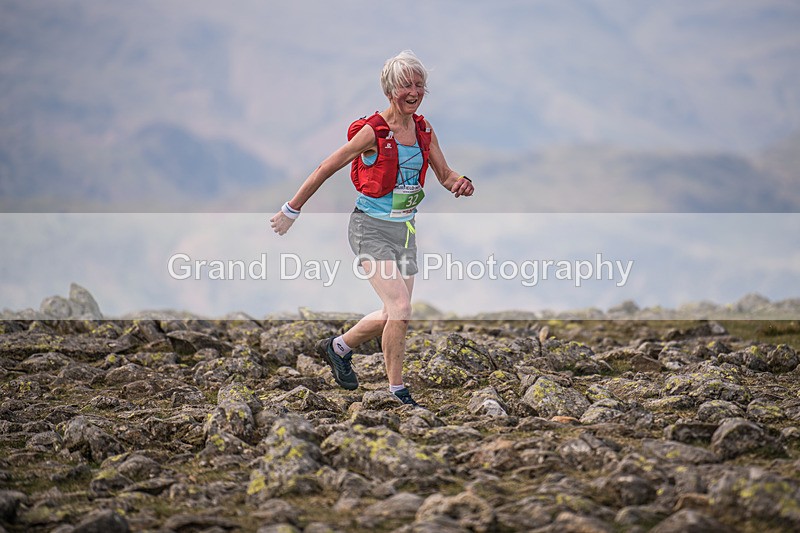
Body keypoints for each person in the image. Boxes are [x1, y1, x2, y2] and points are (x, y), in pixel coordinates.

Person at [270, 50, 474, 407]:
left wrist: (460, 181)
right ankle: (397, 391)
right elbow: (326, 167)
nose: (414, 91)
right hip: (369, 229)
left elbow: (444, 174)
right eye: (405, 85)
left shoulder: (424, 129)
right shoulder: (373, 131)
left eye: (419, 84)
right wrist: (292, 209)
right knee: (400, 307)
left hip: (405, 230)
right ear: (389, 89)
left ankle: (339, 347)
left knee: (392, 312)